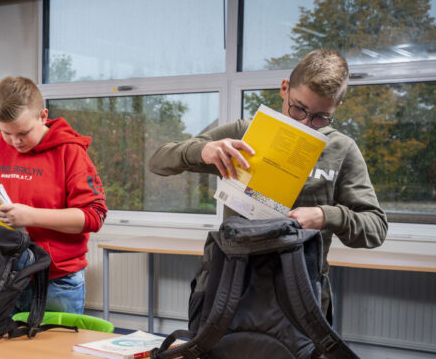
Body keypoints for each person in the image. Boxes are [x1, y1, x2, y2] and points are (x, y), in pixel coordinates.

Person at [148, 49, 387, 322]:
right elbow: (157, 162)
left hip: (301, 296)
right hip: (234, 287)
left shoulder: (342, 150)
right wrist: (202, 151)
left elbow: (375, 228)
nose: (306, 124)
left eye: (320, 117)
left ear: (336, 108)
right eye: (298, 109)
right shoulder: (244, 132)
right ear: (284, 89)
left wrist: (325, 216)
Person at [0, 76, 107, 314]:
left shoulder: (70, 151)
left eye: (23, 133)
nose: (15, 142)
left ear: (43, 116)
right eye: (6, 133)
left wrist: (31, 216)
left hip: (55, 281)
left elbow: (94, 216)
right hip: (1, 276)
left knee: (53, 352)